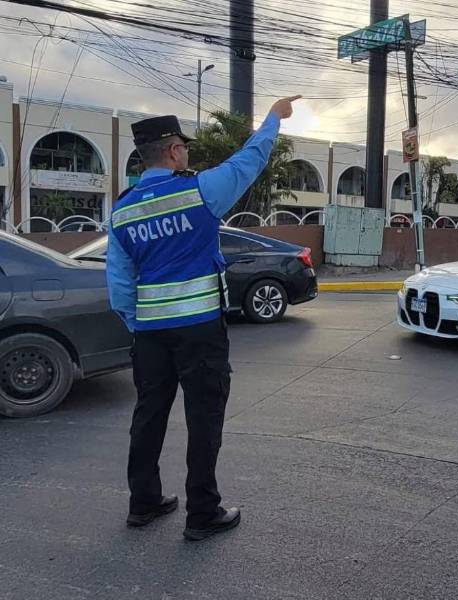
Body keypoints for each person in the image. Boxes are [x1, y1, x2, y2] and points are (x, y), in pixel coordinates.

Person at [107, 95, 300, 541]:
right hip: (199, 330)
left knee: (148, 415)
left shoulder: (122, 209)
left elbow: (119, 283)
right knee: (203, 418)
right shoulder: (198, 191)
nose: (188, 154)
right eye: (185, 147)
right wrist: (273, 118)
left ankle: (144, 503)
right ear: (173, 150)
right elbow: (247, 162)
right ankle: (202, 513)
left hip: (150, 335)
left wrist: (137, 325)